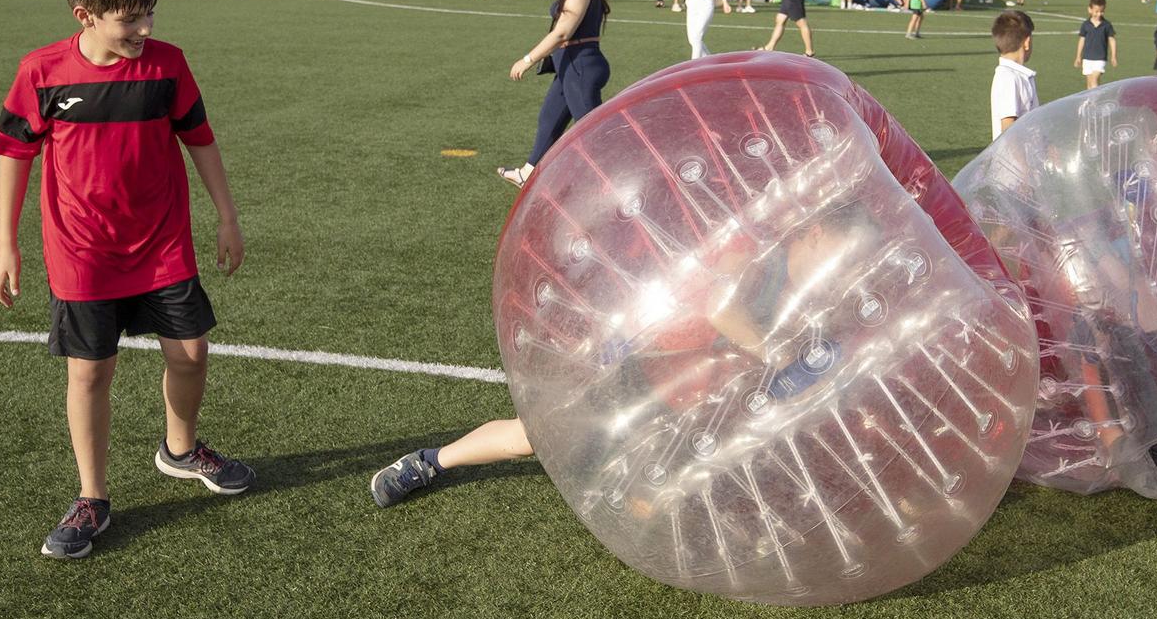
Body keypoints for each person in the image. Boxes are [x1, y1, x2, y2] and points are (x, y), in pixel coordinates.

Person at [0, 0, 250, 559]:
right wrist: (6, 244)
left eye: (149, 13)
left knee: (190, 353)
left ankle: (180, 451)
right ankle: (92, 497)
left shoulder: (167, 66)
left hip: (161, 241)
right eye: (130, 18)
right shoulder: (42, 72)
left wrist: (227, 214)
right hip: (82, 249)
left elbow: (200, 138)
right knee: (90, 370)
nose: (144, 28)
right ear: (86, 15)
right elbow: (13, 154)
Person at [366, 216, 874, 507]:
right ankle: (428, 462)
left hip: (687, 396)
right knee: (534, 438)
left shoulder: (804, 294)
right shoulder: (757, 253)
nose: (839, 268)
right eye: (840, 252)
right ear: (815, 231)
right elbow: (719, 308)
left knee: (660, 491)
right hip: (635, 363)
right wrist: (768, 347)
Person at [498, 0, 612, 187]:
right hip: (569, 66)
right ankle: (527, 173)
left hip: (580, 65)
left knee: (592, 131)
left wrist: (527, 59)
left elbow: (562, 32)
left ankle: (613, 182)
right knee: (549, 117)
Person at [990, 11, 1037, 139]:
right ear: (1027, 42)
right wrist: (1021, 159)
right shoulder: (1008, 78)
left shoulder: (1020, 75)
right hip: (1014, 158)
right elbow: (1008, 128)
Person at [1077, 0, 1117, 90]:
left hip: (1100, 58)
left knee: (1094, 81)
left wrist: (1114, 56)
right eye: (1096, 11)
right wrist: (1078, 56)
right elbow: (1082, 40)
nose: (1099, 14)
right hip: (1087, 58)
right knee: (1090, 84)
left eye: (1101, 12)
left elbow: (1112, 40)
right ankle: (1091, 102)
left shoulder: (1106, 25)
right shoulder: (1086, 25)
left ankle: (1095, 102)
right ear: (1090, 10)